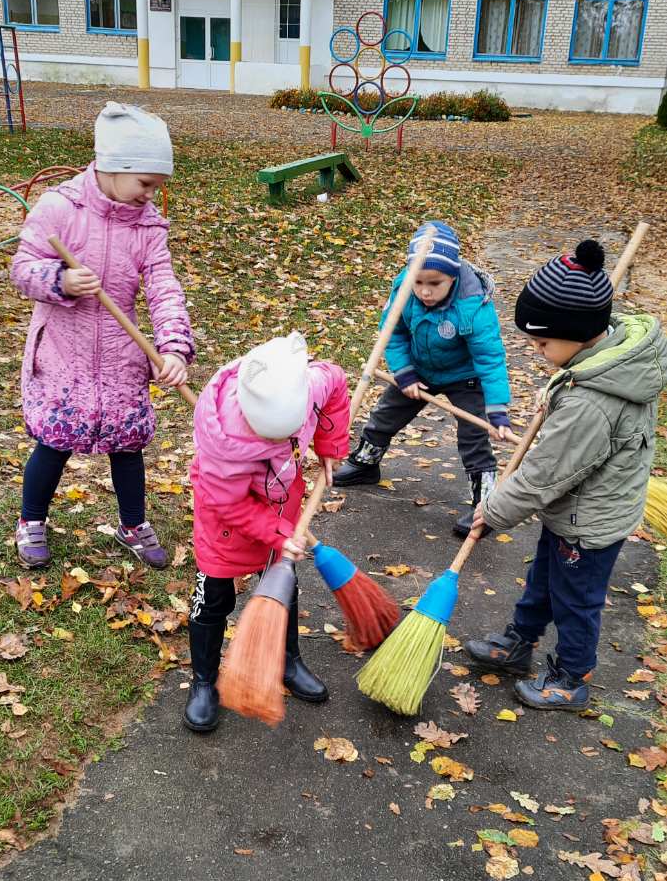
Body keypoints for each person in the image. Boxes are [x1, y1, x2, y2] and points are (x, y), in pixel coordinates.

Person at [466, 239, 667, 710]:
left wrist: (493, 511)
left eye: (541, 343)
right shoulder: (605, 358)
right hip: (574, 511)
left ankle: (572, 677)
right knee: (542, 579)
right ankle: (520, 642)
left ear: (577, 332)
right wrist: (558, 391)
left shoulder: (591, 403)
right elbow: (577, 403)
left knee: (576, 600)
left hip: (589, 522)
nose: (537, 352)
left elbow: (541, 476)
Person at [11, 100, 194, 571]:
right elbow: (23, 269)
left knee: (128, 444)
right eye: (146, 184)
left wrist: (173, 346)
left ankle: (132, 524)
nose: (151, 195)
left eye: (157, 186)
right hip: (62, 352)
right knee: (54, 440)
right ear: (115, 168)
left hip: (120, 353)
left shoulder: (148, 225)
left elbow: (162, 286)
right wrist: (61, 281)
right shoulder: (60, 209)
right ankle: (32, 520)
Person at [185, 331, 349, 733]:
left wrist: (330, 446)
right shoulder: (222, 443)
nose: (281, 443)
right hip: (225, 527)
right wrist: (278, 532)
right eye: (271, 438)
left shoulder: (308, 384)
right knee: (212, 599)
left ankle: (285, 661)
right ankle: (205, 682)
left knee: (283, 587)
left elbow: (336, 385)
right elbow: (229, 504)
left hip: (282, 508)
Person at [335, 220, 513, 536]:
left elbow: (490, 358)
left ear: (454, 275)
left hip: (465, 376)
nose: (425, 291)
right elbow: (392, 334)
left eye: (435, 283)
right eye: (418, 282)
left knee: (474, 436)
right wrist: (404, 373)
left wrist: (497, 407)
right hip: (418, 369)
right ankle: (366, 463)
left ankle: (485, 502)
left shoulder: (473, 305)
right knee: (385, 415)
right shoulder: (405, 290)